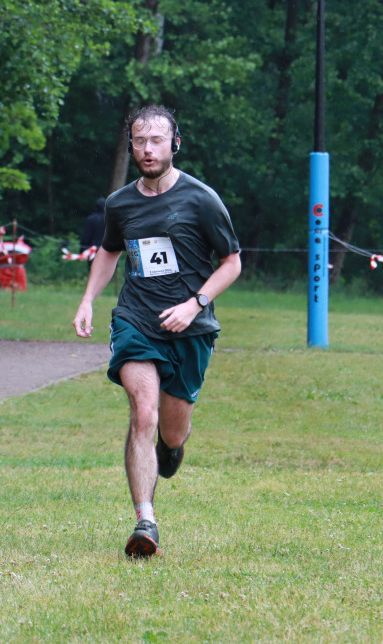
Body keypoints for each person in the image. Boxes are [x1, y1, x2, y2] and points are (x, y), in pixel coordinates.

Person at [73, 104, 242, 558]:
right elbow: (109, 252)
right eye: (139, 141)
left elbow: (232, 263)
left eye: (156, 141)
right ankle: (145, 522)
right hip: (136, 319)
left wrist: (195, 304)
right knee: (142, 413)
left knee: (170, 431)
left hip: (190, 329)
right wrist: (89, 299)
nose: (147, 149)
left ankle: (171, 449)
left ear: (175, 144)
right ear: (131, 146)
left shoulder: (202, 199)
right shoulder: (119, 203)